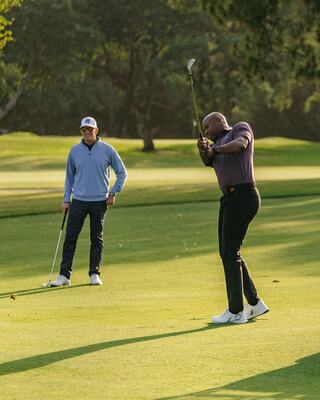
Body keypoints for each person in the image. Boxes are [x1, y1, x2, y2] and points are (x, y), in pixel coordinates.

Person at [197, 112, 269, 324]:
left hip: (244, 194)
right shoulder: (215, 145)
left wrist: (215, 149)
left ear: (219, 121)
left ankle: (236, 311)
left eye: (207, 127)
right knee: (229, 251)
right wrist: (204, 150)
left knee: (230, 252)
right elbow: (208, 160)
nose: (207, 132)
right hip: (228, 198)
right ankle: (255, 304)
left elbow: (241, 145)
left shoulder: (238, 129)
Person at [50, 116, 127, 287]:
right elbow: (69, 178)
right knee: (70, 238)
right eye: (84, 130)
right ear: (81, 132)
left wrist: (114, 192)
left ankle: (94, 273)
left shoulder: (107, 150)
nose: (87, 133)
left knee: (96, 238)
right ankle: (64, 276)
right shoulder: (74, 151)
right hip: (78, 200)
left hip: (99, 202)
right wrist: (66, 200)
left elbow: (122, 173)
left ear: (96, 131)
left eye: (90, 130)